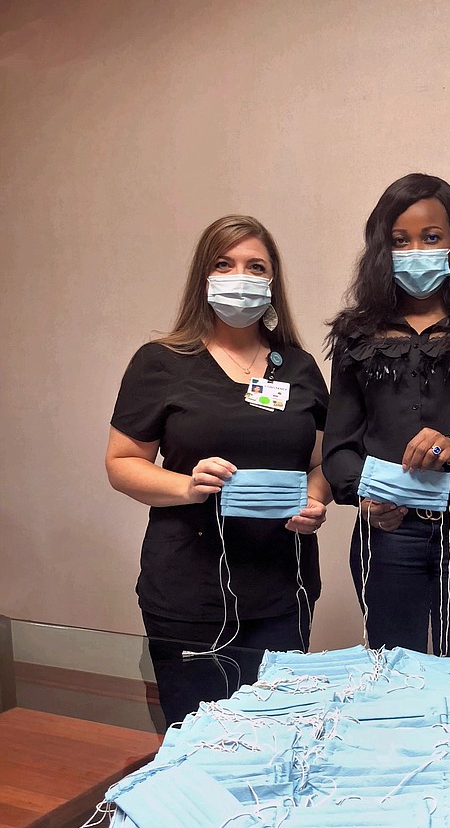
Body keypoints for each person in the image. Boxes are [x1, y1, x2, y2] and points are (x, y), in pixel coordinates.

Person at [106, 215, 330, 727]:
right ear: (202, 277)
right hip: (189, 593)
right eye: (224, 264)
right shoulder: (161, 361)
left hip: (282, 591)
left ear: (272, 283)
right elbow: (121, 464)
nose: (240, 277)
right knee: (198, 746)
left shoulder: (296, 367)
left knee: (276, 738)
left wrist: (316, 499)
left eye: (256, 267)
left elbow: (322, 462)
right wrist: (187, 485)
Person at [323, 172, 450, 659]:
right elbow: (338, 449)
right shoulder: (357, 336)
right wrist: (366, 498)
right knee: (392, 675)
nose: (416, 249)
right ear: (382, 249)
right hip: (386, 534)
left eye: (430, 237)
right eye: (400, 240)